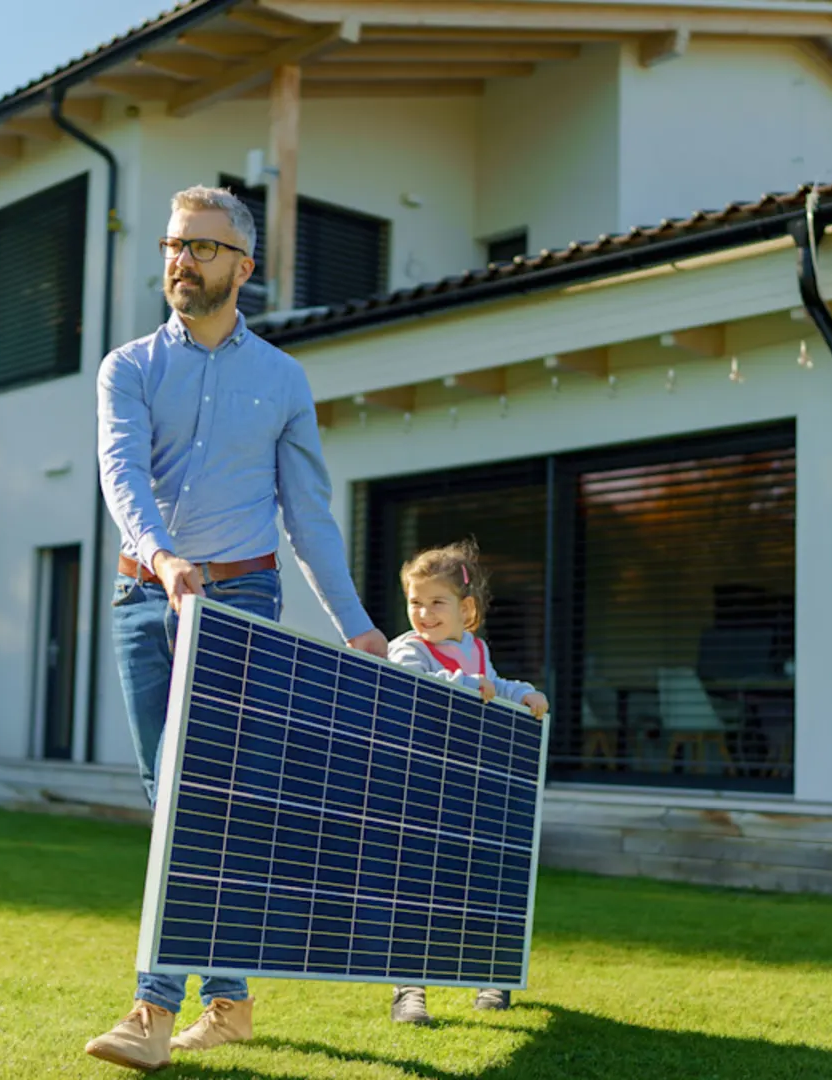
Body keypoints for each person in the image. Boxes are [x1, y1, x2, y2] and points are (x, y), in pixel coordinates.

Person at [84, 184, 389, 1073]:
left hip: (243, 606)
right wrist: (162, 556)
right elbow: (121, 475)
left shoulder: (283, 381)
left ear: (244, 268)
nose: (181, 260)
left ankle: (151, 1008)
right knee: (169, 798)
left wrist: (359, 628)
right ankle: (231, 999)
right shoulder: (128, 367)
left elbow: (310, 520)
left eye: (203, 248)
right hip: (144, 598)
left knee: (195, 799)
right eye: (175, 245)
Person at [383, 537, 549, 1025]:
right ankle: (408, 988)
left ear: (466, 608)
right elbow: (416, 688)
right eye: (416, 602)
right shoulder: (408, 649)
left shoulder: (476, 649)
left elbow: (496, 687)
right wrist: (460, 686)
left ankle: (490, 974)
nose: (425, 613)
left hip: (470, 790)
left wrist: (525, 694)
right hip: (420, 789)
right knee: (415, 887)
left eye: (438, 602)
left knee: (480, 883)